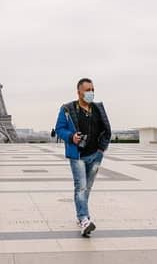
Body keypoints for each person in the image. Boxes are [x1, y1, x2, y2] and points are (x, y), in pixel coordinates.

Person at [55, 78, 111, 237]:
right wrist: (71, 136)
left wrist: (102, 149)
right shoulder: (67, 109)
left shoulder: (98, 108)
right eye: (87, 90)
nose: (91, 93)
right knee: (80, 186)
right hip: (78, 155)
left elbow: (107, 129)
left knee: (87, 187)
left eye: (92, 89)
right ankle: (84, 219)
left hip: (95, 155)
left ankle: (82, 216)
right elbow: (59, 129)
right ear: (78, 91)